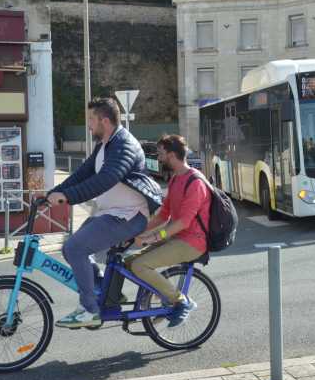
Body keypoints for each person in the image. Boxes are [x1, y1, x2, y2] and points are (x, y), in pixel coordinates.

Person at [47, 97, 162, 329]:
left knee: (75, 248)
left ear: (105, 121)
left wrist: (68, 198)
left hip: (129, 216)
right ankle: (105, 291)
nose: (88, 124)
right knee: (69, 248)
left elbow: (105, 179)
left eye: (91, 119)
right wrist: (52, 193)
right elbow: (82, 174)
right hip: (110, 213)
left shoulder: (124, 145)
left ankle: (90, 309)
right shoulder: (105, 144)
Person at [130, 134, 211, 327]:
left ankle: (181, 301)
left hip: (192, 242)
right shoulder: (175, 180)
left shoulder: (195, 183)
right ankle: (166, 297)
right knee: (128, 262)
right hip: (176, 237)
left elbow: (183, 222)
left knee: (140, 266)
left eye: (161, 154)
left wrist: (154, 237)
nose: (158, 158)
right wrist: (137, 231)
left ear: (172, 155)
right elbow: (162, 216)